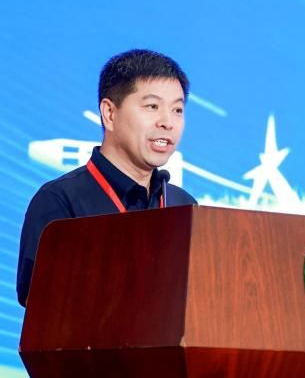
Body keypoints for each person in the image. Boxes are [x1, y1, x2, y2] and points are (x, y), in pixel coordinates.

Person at [16, 49, 198, 307]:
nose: (167, 122)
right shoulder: (60, 201)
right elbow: (42, 305)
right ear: (110, 113)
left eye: (177, 110)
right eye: (152, 106)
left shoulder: (184, 206)